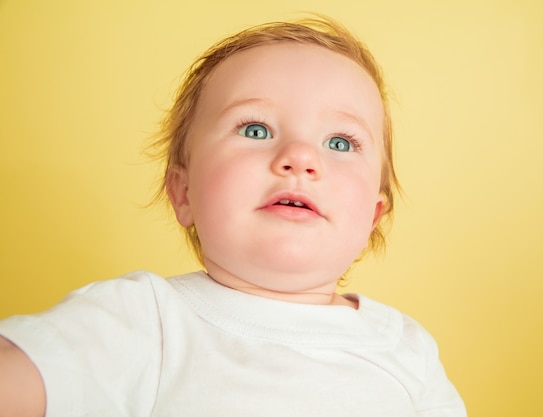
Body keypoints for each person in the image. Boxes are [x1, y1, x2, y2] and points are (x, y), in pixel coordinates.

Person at [0, 16, 467, 417]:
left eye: (340, 143)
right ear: (183, 192)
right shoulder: (145, 321)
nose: (300, 157)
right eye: (256, 128)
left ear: (372, 219)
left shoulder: (406, 349)